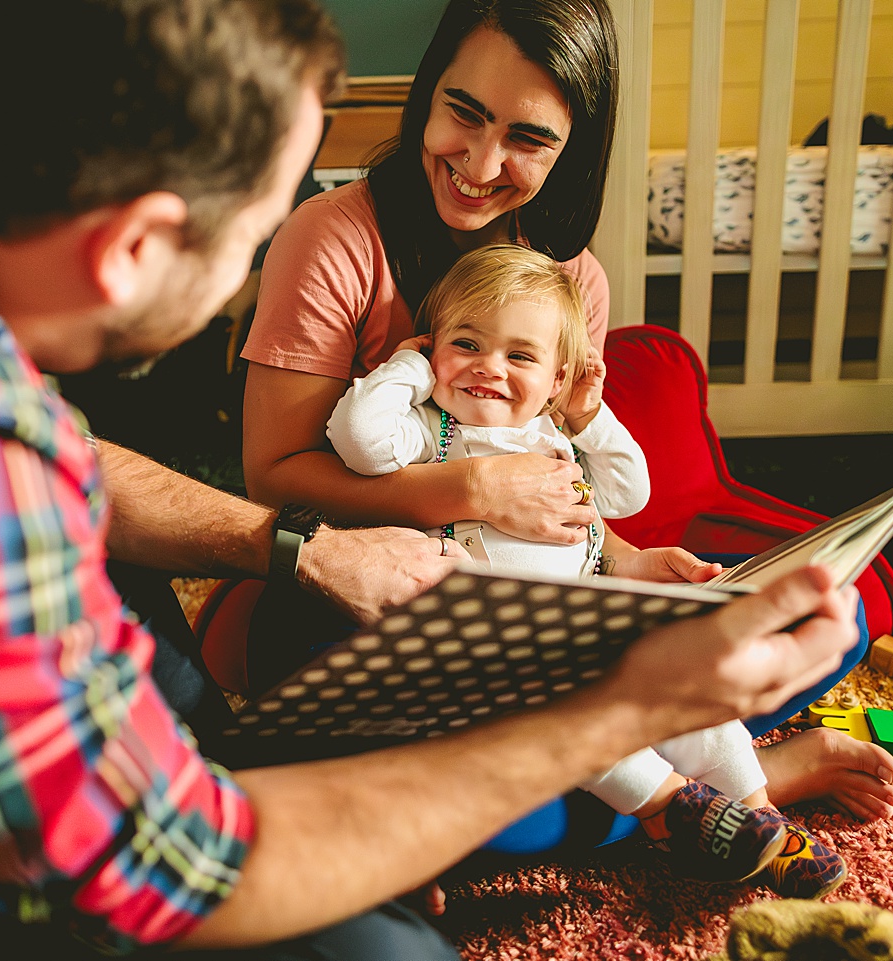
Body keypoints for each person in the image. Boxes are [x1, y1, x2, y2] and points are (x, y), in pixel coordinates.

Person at [0, 1, 867, 960]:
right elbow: (175, 867)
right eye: (248, 237)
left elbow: (60, 459)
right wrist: (627, 709)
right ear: (131, 245)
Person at [240, 0, 893, 831]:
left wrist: (625, 562)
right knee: (455, 791)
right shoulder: (334, 239)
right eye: (464, 114)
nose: (480, 163)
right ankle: (732, 776)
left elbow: (557, 477)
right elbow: (273, 476)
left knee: (821, 617)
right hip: (357, 598)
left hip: (543, 610)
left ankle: (631, 777)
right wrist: (472, 487)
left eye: (529, 139)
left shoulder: (574, 281)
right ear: (426, 96)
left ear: (571, 151)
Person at [326, 243, 848, 900]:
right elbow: (358, 437)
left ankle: (759, 816)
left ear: (555, 378)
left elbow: (630, 494)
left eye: (519, 356)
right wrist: (410, 365)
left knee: (692, 700)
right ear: (436, 348)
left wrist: (587, 415)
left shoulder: (553, 435)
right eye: (466, 343)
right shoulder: (430, 431)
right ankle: (665, 808)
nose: (489, 367)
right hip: (496, 653)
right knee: (581, 713)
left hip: (586, 629)